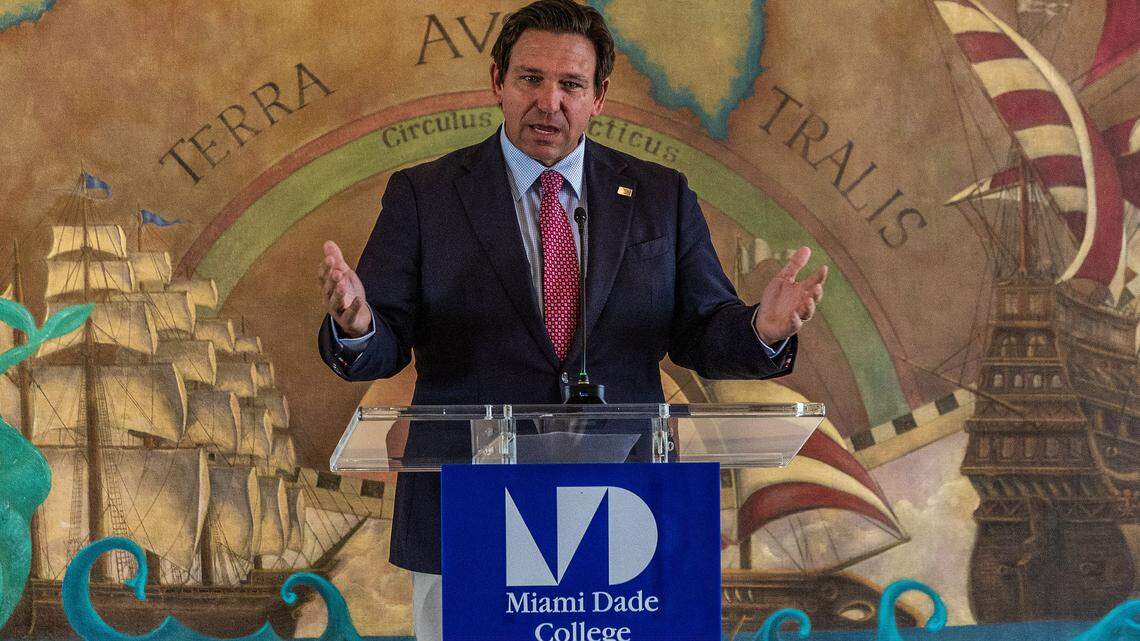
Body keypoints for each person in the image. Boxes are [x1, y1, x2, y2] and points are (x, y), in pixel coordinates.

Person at [316, 1, 826, 638]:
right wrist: (358, 324)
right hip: (469, 510)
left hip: (625, 512)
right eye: (531, 79)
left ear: (599, 96)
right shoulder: (426, 195)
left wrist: (762, 330)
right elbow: (383, 339)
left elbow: (702, 331)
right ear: (498, 81)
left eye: (571, 85)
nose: (548, 102)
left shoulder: (661, 196)